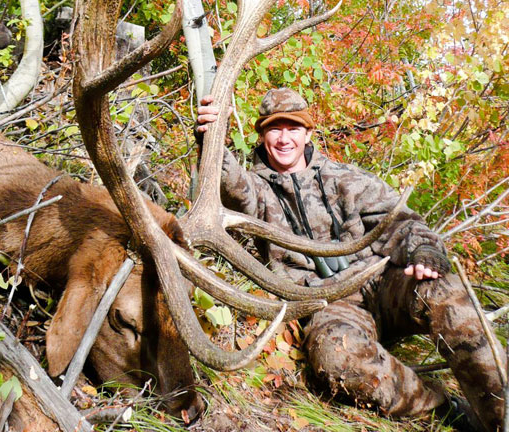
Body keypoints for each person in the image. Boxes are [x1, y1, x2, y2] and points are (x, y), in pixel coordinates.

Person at [196, 87, 505, 432]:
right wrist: (212, 139)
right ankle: (445, 409)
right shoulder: (255, 189)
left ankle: (499, 413)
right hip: (328, 305)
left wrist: (424, 252)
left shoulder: (345, 178)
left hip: (379, 283)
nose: (284, 139)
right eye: (274, 129)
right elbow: (231, 186)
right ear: (262, 135)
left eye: (293, 128)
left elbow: (400, 222)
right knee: (337, 358)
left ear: (308, 133)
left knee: (444, 289)